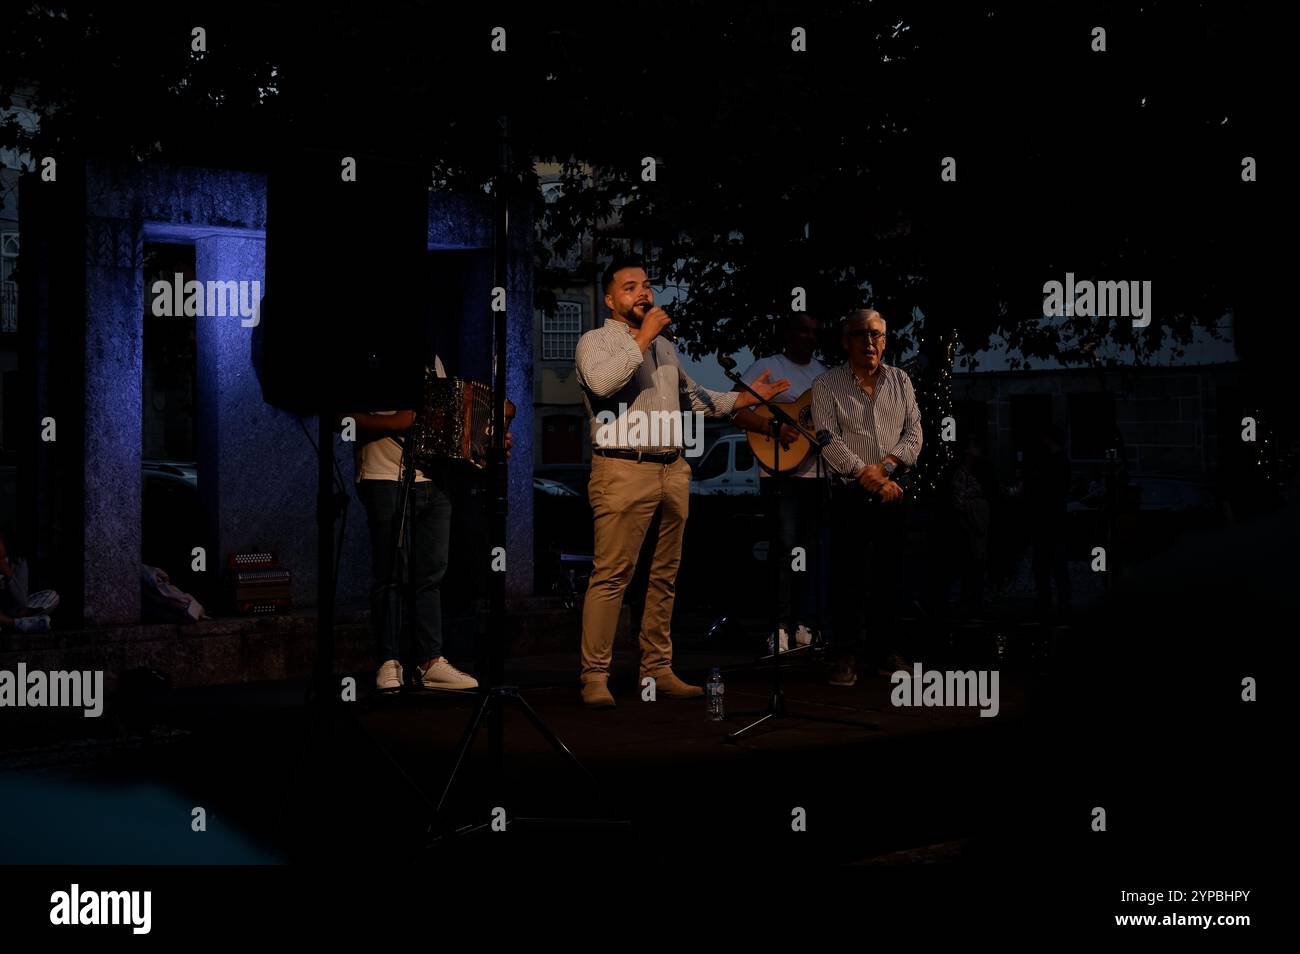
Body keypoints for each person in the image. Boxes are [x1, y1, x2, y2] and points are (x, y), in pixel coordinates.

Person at [574, 253, 789, 708]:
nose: (643, 293)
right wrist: (642, 338)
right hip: (622, 466)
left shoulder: (665, 347)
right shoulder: (595, 341)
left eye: (646, 285)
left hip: (672, 468)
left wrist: (749, 397)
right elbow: (602, 384)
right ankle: (595, 675)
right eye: (630, 287)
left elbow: (695, 398)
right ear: (611, 300)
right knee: (612, 575)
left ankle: (657, 668)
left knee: (663, 576)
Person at [343, 356, 481, 693]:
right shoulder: (368, 358)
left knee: (430, 576)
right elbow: (342, 422)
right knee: (391, 574)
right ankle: (389, 661)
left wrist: (480, 442)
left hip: (434, 480)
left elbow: (446, 422)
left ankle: (430, 661)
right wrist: (396, 422)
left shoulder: (431, 361)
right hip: (384, 476)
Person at [810, 309, 922, 686]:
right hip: (850, 495)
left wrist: (886, 468)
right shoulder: (826, 384)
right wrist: (865, 474)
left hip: (894, 492)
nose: (870, 342)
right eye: (861, 334)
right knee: (847, 578)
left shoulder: (901, 380)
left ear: (886, 340)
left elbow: (915, 434)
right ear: (846, 341)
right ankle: (845, 654)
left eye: (877, 334)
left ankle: (885, 650)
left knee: (891, 576)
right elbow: (826, 437)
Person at [731, 312, 829, 651]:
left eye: (815, 331)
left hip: (816, 474)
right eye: (802, 330)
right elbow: (736, 408)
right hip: (779, 473)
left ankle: (805, 624)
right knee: (784, 550)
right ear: (787, 333)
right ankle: (780, 626)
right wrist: (772, 427)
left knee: (810, 552)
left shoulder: (825, 375)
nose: (809, 337)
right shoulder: (767, 367)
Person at [0, 532, 57, 634]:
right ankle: (17, 624)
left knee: (52, 597)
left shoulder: (18, 563)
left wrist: (6, 571)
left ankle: (15, 621)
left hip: (14, 610)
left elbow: (21, 600)